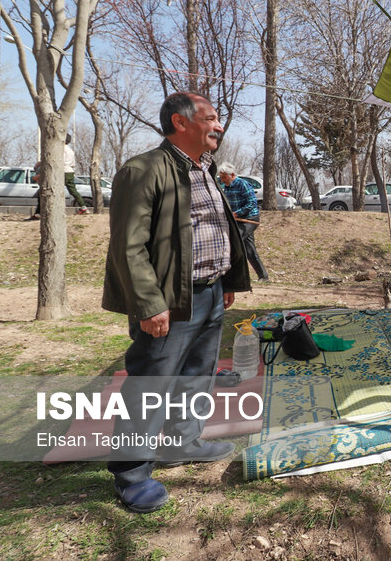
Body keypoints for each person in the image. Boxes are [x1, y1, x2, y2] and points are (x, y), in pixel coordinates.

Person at [101, 92, 250, 514]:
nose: (218, 125)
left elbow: (211, 229)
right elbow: (128, 247)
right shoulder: (143, 169)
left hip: (210, 293)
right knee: (151, 383)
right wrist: (150, 304)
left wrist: (225, 279)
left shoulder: (203, 168)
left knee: (197, 374)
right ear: (181, 123)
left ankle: (183, 441)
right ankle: (131, 475)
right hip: (169, 300)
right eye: (211, 118)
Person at [218, 162, 269, 283]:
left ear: (232, 174)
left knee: (234, 241)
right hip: (237, 220)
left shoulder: (243, 184)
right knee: (250, 250)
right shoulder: (226, 187)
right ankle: (264, 276)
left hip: (250, 219)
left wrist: (237, 213)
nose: (223, 180)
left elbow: (252, 203)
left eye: (224, 177)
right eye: (221, 178)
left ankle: (232, 276)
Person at [64, 133, 88, 214]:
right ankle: (83, 206)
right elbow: (73, 163)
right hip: (70, 170)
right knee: (73, 190)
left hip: (63, 170)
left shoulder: (61, 149)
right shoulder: (70, 150)